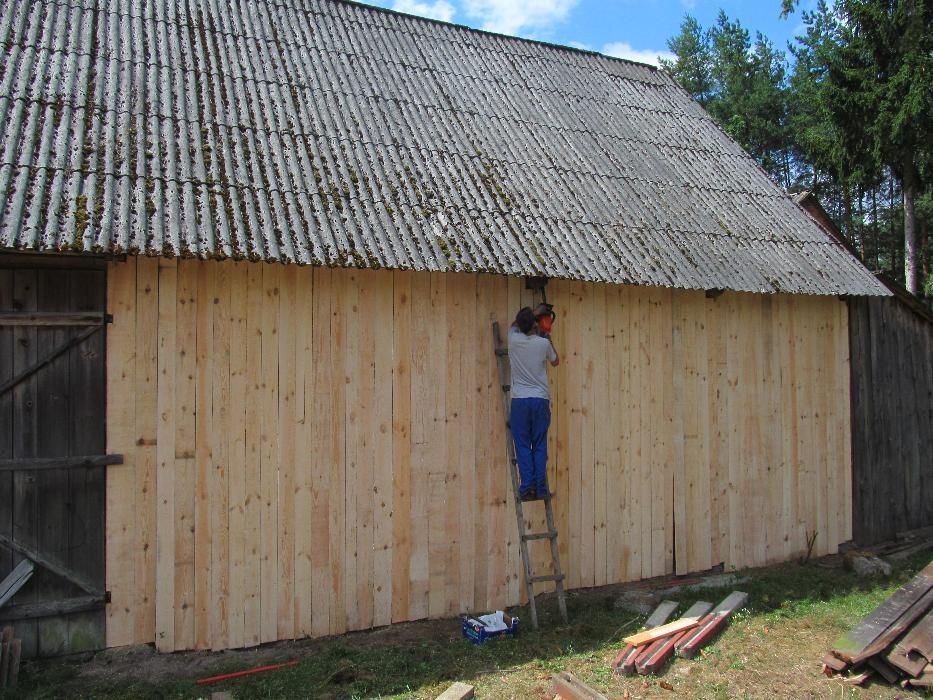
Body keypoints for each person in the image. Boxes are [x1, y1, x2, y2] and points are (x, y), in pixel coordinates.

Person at [508, 306, 559, 501]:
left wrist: (532, 316)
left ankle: (526, 488)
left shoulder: (513, 339)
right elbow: (556, 361)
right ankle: (540, 488)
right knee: (539, 444)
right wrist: (545, 335)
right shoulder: (542, 344)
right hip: (540, 400)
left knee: (522, 445)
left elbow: (514, 324)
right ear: (535, 325)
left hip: (520, 401)